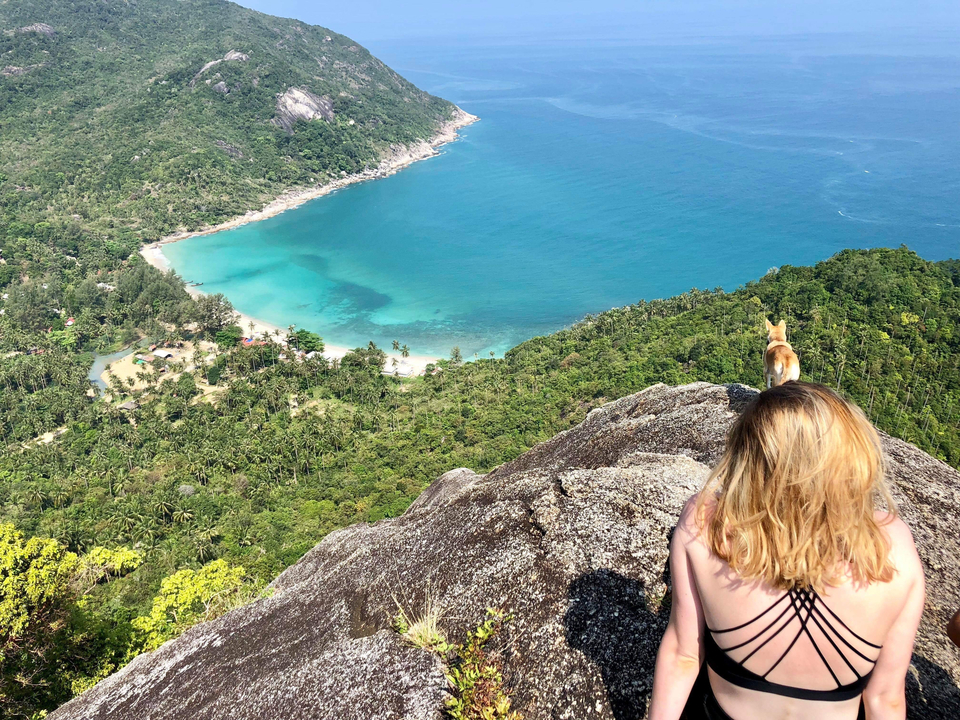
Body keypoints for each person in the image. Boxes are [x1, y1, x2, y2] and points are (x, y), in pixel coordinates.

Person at [649, 382, 925, 720]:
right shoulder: (892, 547)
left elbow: (683, 655)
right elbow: (885, 698)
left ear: (746, 457)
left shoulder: (706, 523)